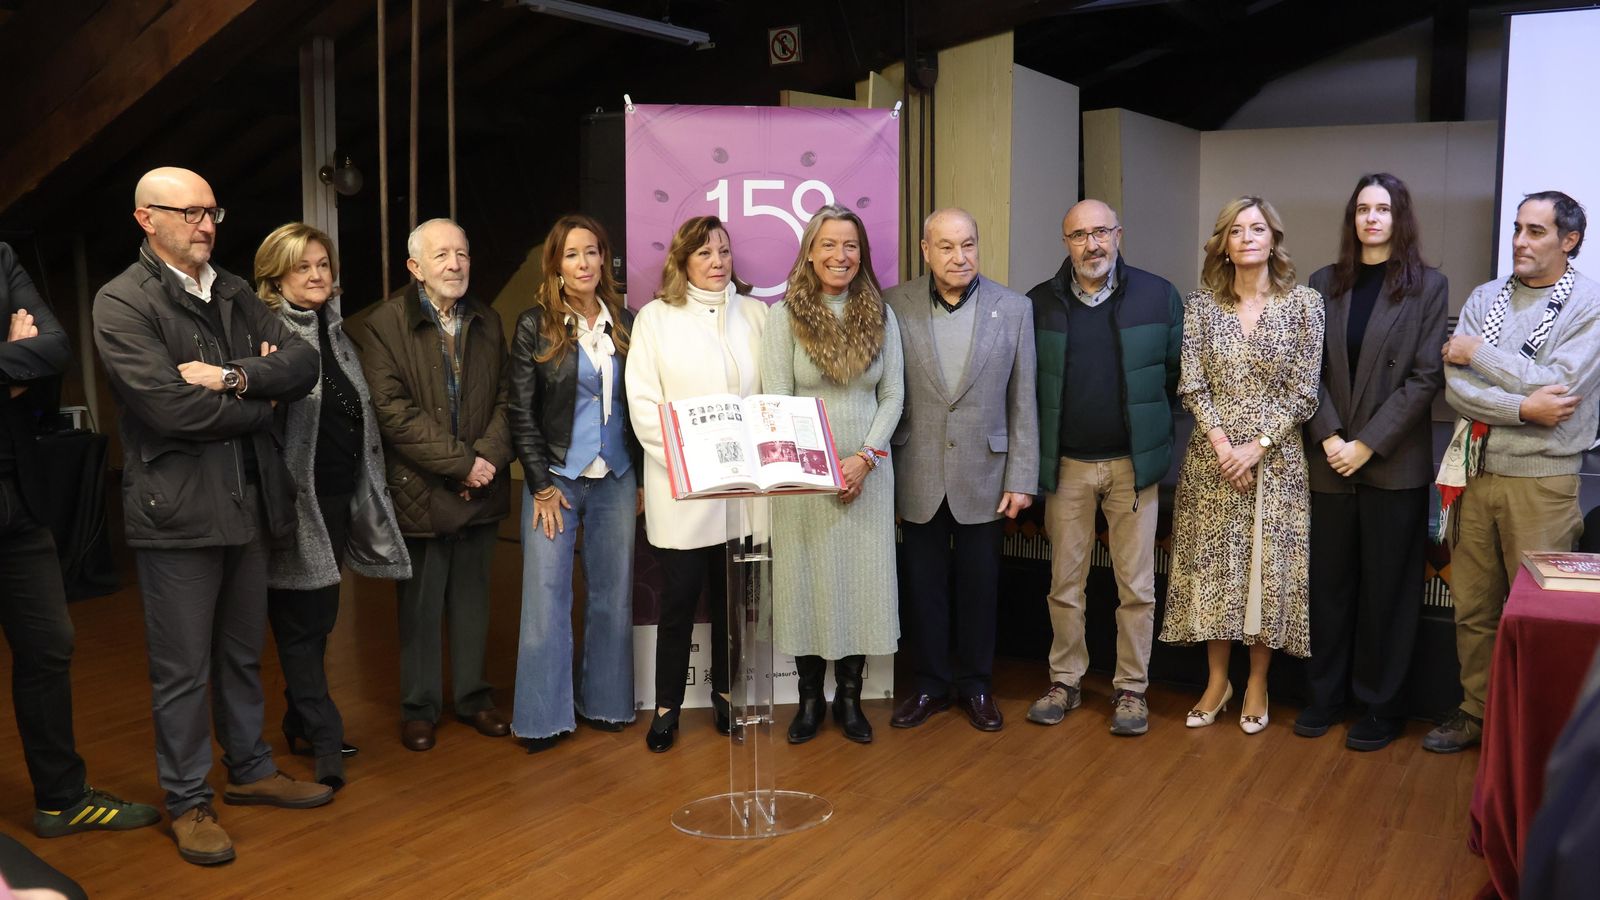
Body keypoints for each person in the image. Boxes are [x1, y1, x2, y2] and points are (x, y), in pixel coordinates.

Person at [92, 167, 331, 866]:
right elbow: (167, 408)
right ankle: (189, 801)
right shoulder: (121, 300)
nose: (205, 225)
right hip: (176, 513)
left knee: (240, 653)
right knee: (182, 670)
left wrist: (233, 377)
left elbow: (303, 363)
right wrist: (262, 403)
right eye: (190, 213)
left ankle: (251, 770)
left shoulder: (230, 288)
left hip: (247, 502)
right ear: (147, 219)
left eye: (211, 212)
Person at [1429, 190, 1600, 753]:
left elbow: (1562, 387)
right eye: (1518, 229)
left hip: (1543, 481)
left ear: (1569, 240)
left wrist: (1477, 353)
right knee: (1473, 608)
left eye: (1536, 232)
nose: (1520, 242)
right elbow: (1458, 391)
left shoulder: (1589, 305)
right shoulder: (1486, 297)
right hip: (1476, 473)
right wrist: (1525, 407)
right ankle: (1476, 713)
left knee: (1539, 616)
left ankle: (1531, 733)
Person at [2, 242, 161, 841]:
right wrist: (12, 365)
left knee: (49, 646)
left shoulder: (1, 257)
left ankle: (62, 800)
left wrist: (25, 363)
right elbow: (29, 361)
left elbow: (55, 349)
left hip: (19, 499)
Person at [1158, 196, 1324, 735]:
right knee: (1214, 572)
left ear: (1273, 239)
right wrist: (1224, 445)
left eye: (1257, 229)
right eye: (1236, 230)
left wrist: (1257, 446)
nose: (1247, 238)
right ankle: (1216, 682)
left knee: (1265, 572)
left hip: (1277, 462)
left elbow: (1305, 392)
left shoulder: (1305, 305)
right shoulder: (1201, 305)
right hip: (1212, 458)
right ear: (1223, 245)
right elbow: (1191, 382)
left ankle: (1256, 682)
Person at [255, 223, 412, 788]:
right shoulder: (265, 333)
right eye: (303, 267)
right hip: (294, 503)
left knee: (318, 620)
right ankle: (324, 737)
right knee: (300, 624)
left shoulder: (337, 333)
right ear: (276, 276)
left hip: (339, 497)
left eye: (323, 264)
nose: (318, 275)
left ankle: (300, 722)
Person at [1296, 174, 1448, 751]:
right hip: (1329, 461)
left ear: (1399, 217)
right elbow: (1306, 371)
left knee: (1387, 594)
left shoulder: (1428, 286)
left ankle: (1382, 707)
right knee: (1328, 588)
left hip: (1391, 463)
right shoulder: (1323, 283)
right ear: (1352, 218)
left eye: (1383, 208)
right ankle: (1324, 696)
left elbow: (1425, 378)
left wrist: (1365, 444)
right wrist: (1332, 436)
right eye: (1362, 208)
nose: (1372, 218)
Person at [353, 217, 514, 752]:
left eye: (462, 253)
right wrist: (462, 464)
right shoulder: (384, 324)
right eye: (441, 255)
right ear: (415, 267)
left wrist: (486, 461)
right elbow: (392, 412)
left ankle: (473, 697)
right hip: (420, 486)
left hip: (481, 484)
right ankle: (419, 707)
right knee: (420, 606)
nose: (455, 264)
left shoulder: (488, 319)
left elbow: (508, 400)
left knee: (473, 601)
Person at [1023, 200, 1182, 736]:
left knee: (1136, 587)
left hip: (1132, 468)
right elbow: (1028, 387)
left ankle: (1131, 689)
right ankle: (1065, 681)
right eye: (1079, 235)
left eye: (1101, 232)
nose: (1092, 244)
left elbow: (1174, 377)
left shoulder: (1158, 295)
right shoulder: (1039, 304)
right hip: (1067, 466)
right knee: (1064, 584)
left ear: (1119, 234)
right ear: (1065, 242)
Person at [885, 208, 1038, 732]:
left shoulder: (1013, 308)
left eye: (967, 244)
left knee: (980, 588)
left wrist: (1022, 477)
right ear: (925, 250)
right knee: (922, 587)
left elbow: (1024, 401)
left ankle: (976, 686)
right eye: (946, 246)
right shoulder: (894, 304)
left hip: (986, 475)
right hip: (917, 469)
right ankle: (929, 685)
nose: (959, 256)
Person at [762, 205, 904, 744]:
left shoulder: (882, 316)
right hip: (804, 480)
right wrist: (822, 470)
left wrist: (864, 460)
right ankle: (808, 701)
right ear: (809, 252)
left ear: (861, 254)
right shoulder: (784, 317)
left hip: (869, 474)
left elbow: (893, 395)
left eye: (850, 245)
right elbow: (777, 399)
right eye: (828, 244)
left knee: (861, 586)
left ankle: (849, 698)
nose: (839, 255)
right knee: (804, 584)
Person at [626, 215, 768, 752]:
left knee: (733, 604)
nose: (717, 262)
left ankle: (726, 696)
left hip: (742, 490)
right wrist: (688, 464)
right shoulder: (655, 319)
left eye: (724, 251)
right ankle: (666, 707)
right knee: (679, 600)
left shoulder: (756, 314)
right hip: (682, 489)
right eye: (704, 253)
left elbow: (770, 395)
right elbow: (643, 406)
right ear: (683, 260)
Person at [508, 214, 641, 752]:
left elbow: (640, 406)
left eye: (592, 252)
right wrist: (540, 484)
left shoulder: (627, 322)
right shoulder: (534, 325)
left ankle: (606, 703)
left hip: (616, 478)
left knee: (613, 595)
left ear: (604, 258)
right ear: (556, 266)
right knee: (546, 599)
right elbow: (521, 411)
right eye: (571, 254)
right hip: (556, 481)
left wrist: (641, 479)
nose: (584, 263)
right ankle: (542, 718)